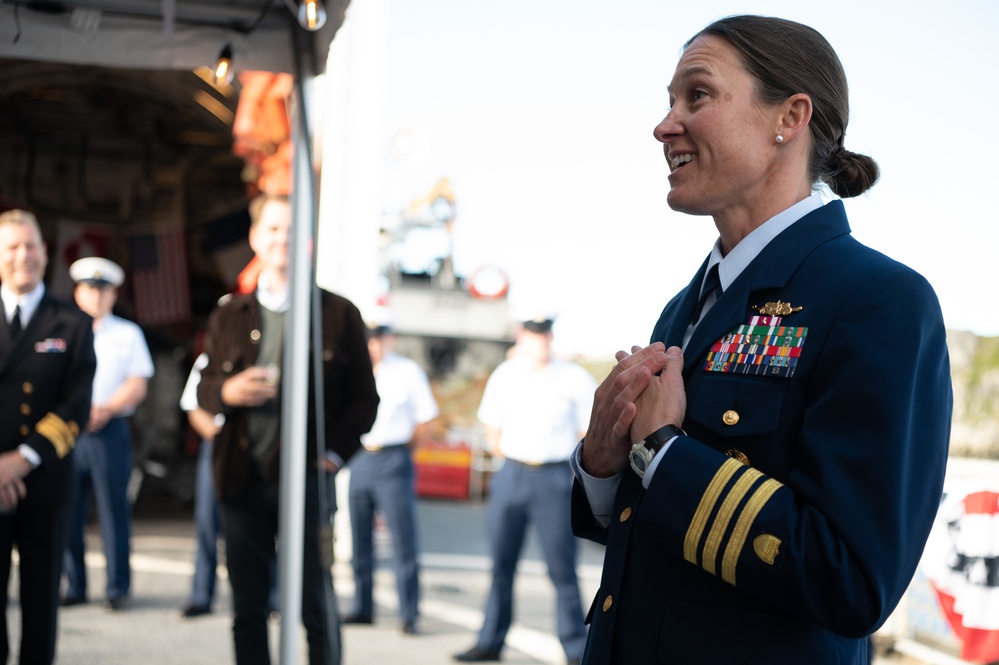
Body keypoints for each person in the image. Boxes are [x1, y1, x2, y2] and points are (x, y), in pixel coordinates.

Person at [571, 16, 952, 665]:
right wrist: (604, 464)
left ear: (789, 117)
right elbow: (652, 534)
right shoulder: (684, 307)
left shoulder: (878, 299)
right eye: (668, 102)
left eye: (696, 96)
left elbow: (854, 578)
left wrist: (661, 453)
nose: (665, 125)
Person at [197, 192, 379, 665]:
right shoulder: (228, 314)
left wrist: (333, 455)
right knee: (248, 608)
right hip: (242, 482)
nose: (283, 239)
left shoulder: (340, 314)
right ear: (256, 237)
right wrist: (228, 391)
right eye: (274, 229)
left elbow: (365, 401)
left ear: (309, 241)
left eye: (293, 230)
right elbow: (202, 388)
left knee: (316, 605)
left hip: (309, 486)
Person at [454, 316, 595, 665]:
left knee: (562, 569)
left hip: (554, 478)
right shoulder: (506, 375)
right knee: (501, 564)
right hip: (512, 473)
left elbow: (589, 430)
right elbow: (492, 428)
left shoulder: (574, 378)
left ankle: (577, 649)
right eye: (533, 335)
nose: (540, 341)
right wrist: (511, 457)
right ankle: (490, 641)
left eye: (545, 334)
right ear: (521, 337)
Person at [0, 209, 96, 664]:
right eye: (13, 246)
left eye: (32, 245)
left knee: (41, 606)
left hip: (43, 482)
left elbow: (75, 405)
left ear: (45, 250)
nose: (25, 256)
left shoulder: (72, 322)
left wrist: (21, 459)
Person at [60, 257, 154, 612]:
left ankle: (118, 587)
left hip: (109, 430)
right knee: (67, 510)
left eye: (103, 290)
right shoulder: (63, 329)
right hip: (70, 431)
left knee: (114, 510)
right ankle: (75, 584)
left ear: (114, 294)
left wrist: (105, 409)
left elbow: (137, 384)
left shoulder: (127, 333)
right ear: (78, 292)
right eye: (89, 289)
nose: (95, 297)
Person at [344, 320, 439, 635]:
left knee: (402, 539)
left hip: (393, 456)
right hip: (359, 455)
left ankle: (409, 612)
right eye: (368, 339)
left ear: (390, 339)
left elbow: (425, 421)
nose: (373, 345)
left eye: (379, 339)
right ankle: (362, 606)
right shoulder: (353, 368)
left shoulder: (407, 372)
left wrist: (402, 451)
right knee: (359, 537)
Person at [178, 352, 222, 618]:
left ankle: (272, 598)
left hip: (260, 446)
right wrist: (220, 438)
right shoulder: (209, 358)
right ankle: (201, 595)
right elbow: (193, 406)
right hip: (217, 444)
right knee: (207, 522)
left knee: (263, 525)